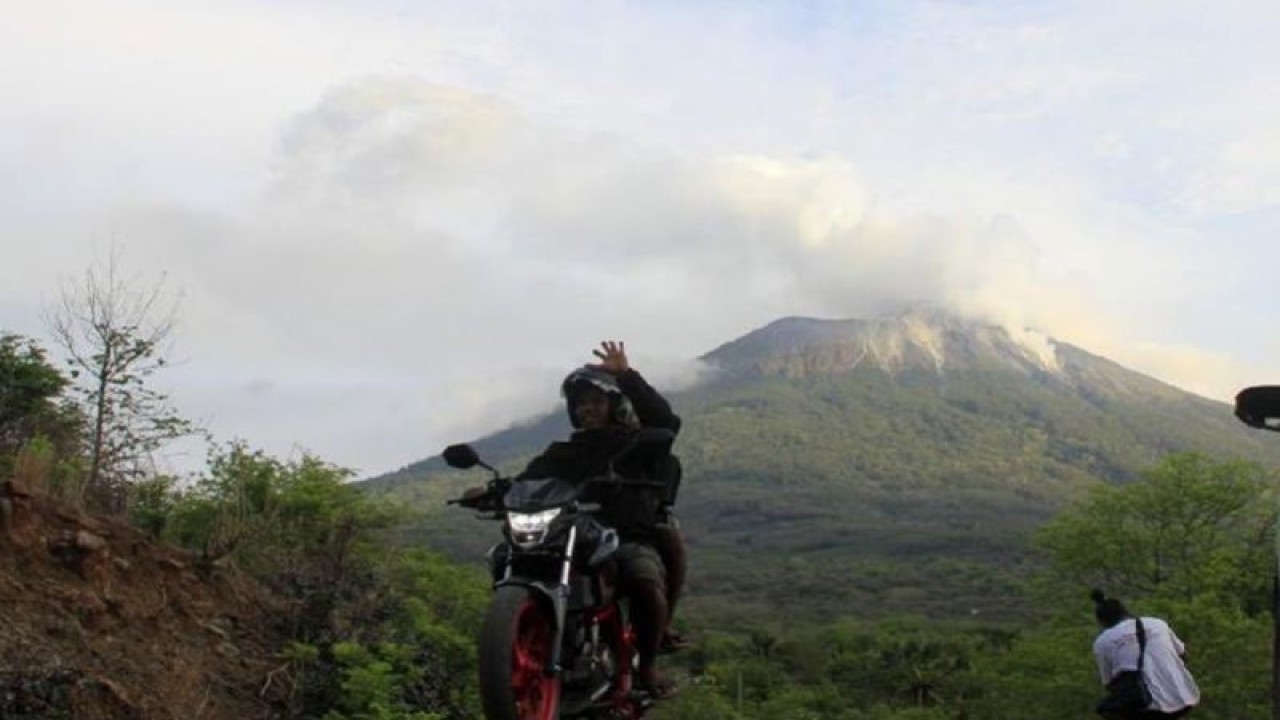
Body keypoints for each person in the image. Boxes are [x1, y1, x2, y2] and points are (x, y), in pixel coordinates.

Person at [516, 340, 685, 697]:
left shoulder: (635, 443)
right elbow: (527, 480)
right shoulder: (563, 452)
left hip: (625, 536)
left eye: (596, 401)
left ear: (614, 406)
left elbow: (665, 423)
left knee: (643, 579)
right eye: (581, 403)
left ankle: (648, 666)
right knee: (511, 556)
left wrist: (626, 376)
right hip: (571, 536)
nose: (587, 409)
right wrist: (490, 491)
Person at [1091, 590, 1199, 719]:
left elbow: (1109, 683)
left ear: (1102, 622)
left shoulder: (1103, 642)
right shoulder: (1157, 624)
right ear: (1125, 612)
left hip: (1147, 705)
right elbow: (1184, 656)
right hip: (1184, 696)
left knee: (1109, 709)